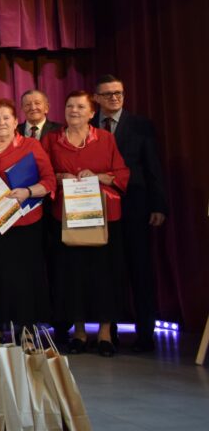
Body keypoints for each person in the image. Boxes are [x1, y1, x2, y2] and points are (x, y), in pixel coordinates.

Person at [44, 90, 130, 357]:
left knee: (105, 275)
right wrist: (61, 177)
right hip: (67, 217)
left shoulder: (105, 138)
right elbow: (43, 174)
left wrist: (99, 176)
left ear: (92, 112)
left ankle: (105, 333)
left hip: (103, 217)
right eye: (70, 106)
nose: (74, 111)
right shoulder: (52, 140)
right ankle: (79, 333)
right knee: (72, 276)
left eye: (81, 107)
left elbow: (122, 173)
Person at [93, 75, 168, 352]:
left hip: (134, 206)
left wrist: (159, 205)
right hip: (97, 209)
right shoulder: (87, 125)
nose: (114, 98)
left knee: (140, 270)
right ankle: (107, 332)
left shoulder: (140, 125)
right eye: (108, 94)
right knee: (107, 271)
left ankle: (146, 333)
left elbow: (153, 167)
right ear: (96, 98)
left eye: (119, 93)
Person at [0, 99, 56, 335]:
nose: (1, 123)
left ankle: (27, 330)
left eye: (6, 118)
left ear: (16, 121)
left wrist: (28, 192)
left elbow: (49, 181)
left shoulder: (30, 146)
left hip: (26, 224)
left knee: (26, 278)